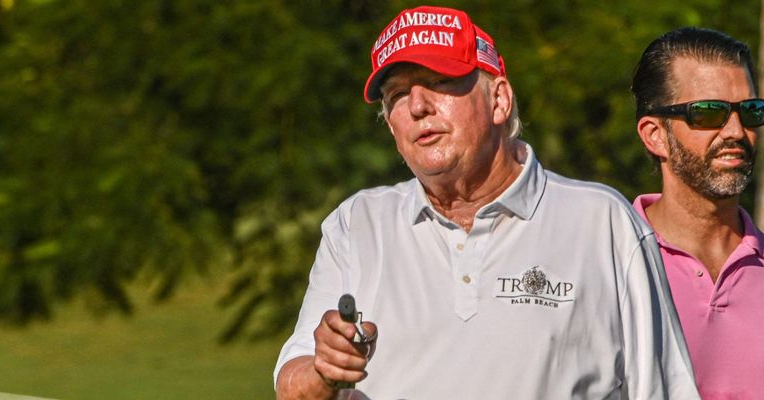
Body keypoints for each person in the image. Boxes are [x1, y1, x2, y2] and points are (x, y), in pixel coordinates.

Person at [274, 6, 697, 399]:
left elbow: (662, 388)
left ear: (499, 100)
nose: (417, 106)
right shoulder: (357, 223)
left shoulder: (602, 221)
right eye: (397, 95)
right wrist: (324, 370)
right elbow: (291, 384)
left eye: (440, 83)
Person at [629, 27, 764, 399]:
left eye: (750, 111)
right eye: (710, 113)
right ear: (655, 135)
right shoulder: (605, 263)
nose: (736, 131)